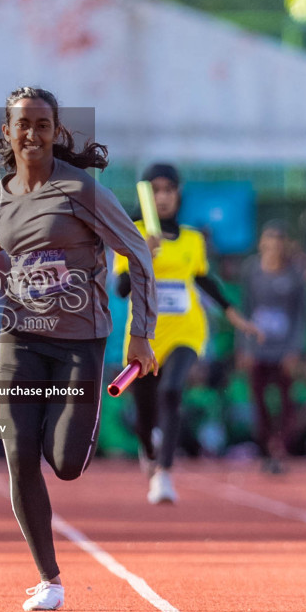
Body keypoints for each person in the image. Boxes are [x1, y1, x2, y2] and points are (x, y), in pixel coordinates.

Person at [0, 86, 157, 612]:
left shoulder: (80, 191)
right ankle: (49, 579)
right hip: (19, 337)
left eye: (42, 125)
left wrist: (140, 332)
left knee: (63, 463)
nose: (32, 134)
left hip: (80, 341)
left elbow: (137, 253)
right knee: (19, 457)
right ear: (7, 133)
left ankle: (58, 440)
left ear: (56, 133)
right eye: (23, 125)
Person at [113, 163, 259, 504]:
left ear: (179, 194)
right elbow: (120, 289)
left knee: (173, 390)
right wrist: (141, 256)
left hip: (186, 330)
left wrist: (236, 316)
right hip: (145, 334)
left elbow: (205, 280)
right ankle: (149, 450)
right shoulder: (133, 233)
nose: (163, 197)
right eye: (156, 190)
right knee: (145, 410)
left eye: (169, 189)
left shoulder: (193, 239)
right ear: (146, 195)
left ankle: (164, 474)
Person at [240, 221, 306, 473]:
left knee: (285, 401)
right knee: (259, 401)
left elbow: (301, 315)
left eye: (280, 240)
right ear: (262, 243)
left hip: (284, 348)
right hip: (258, 347)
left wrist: (295, 350)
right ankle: (265, 447)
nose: (275, 246)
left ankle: (281, 448)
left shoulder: (295, 274)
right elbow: (245, 309)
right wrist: (244, 347)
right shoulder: (252, 271)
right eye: (270, 239)